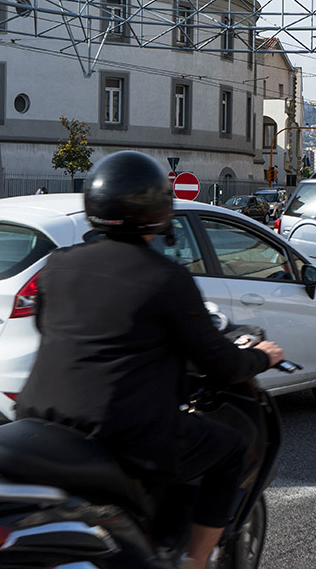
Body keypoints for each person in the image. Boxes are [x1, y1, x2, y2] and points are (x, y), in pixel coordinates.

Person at [16, 150, 284, 569]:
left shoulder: (58, 264)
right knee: (229, 448)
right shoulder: (167, 277)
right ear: (158, 211)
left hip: (41, 420)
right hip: (124, 433)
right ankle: (195, 561)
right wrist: (260, 358)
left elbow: (45, 326)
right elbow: (222, 364)